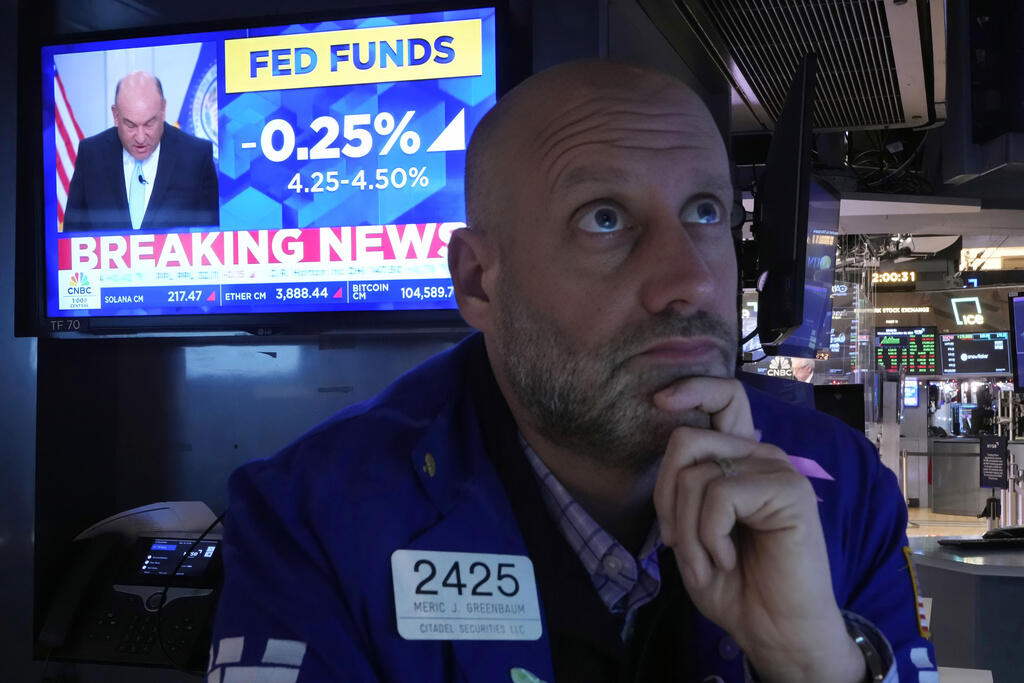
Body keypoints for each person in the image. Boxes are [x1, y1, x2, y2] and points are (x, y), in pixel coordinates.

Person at [208, 60, 935, 682]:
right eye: (605, 219)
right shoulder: (313, 519)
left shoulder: (841, 491)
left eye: (705, 211)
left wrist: (814, 663)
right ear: (479, 282)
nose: (688, 280)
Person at [62, 71, 219, 232]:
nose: (141, 138)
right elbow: (71, 239)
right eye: (130, 125)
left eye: (149, 123)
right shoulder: (91, 156)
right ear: (115, 115)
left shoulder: (196, 156)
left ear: (163, 109)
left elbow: (211, 238)